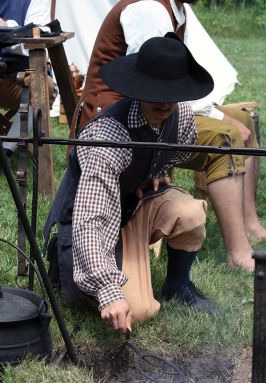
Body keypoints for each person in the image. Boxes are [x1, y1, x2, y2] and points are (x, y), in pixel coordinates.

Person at [71, 0, 266, 272]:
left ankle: (250, 224)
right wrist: (222, 118)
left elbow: (171, 85)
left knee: (244, 120)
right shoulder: (149, 8)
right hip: (122, 123)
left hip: (152, 114)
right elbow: (155, 85)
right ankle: (238, 252)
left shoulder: (175, 9)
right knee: (228, 135)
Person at [44, 35, 220, 333]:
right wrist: (108, 291)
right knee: (135, 310)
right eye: (155, 93)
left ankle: (178, 284)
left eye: (172, 93)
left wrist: (157, 169)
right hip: (92, 221)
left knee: (189, 211)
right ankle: (74, 266)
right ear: (138, 89)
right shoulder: (109, 137)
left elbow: (179, 150)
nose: (165, 103)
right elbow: (91, 220)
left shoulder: (182, 118)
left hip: (133, 205)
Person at [0, 0, 56, 161]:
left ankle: (6, 152)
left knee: (42, 86)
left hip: (18, 79)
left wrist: (5, 28)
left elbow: (36, 39)